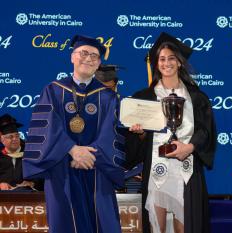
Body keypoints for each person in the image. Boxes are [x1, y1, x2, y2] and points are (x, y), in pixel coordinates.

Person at [23, 35, 125, 233]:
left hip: (97, 169)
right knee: (65, 223)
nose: (88, 59)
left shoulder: (109, 97)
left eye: (94, 56)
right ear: (72, 57)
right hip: (61, 169)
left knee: (102, 223)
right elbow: (46, 127)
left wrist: (89, 155)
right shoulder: (52, 90)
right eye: (83, 53)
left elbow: (110, 135)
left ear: (99, 64)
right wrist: (71, 149)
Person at [125, 32, 216, 233]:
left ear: (180, 62)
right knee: (156, 226)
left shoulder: (196, 97)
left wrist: (190, 147)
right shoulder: (145, 97)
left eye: (171, 58)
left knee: (186, 224)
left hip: (186, 166)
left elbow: (206, 131)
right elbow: (137, 141)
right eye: (162, 59)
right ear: (156, 64)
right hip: (157, 168)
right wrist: (139, 133)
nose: (167, 63)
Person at [0, 114, 39, 191]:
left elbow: (43, 178)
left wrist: (32, 183)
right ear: (2, 139)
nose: (15, 139)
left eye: (17, 136)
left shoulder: (31, 155)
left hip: (28, 198)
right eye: (10, 137)